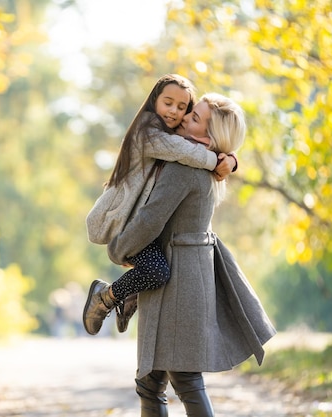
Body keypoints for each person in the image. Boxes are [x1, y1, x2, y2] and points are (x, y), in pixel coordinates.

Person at [107, 93, 276, 417]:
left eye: (194, 118)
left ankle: (109, 297)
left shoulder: (184, 169)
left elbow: (150, 219)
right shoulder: (206, 165)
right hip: (184, 276)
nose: (184, 118)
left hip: (177, 284)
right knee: (151, 382)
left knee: (183, 377)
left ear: (209, 137)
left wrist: (118, 248)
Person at [83, 74, 238, 336]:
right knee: (156, 272)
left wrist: (231, 157)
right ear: (155, 100)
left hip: (145, 228)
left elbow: (207, 138)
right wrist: (221, 162)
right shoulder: (148, 133)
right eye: (168, 103)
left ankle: (130, 296)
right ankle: (106, 297)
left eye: (182, 108)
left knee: (156, 270)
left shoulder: (172, 131)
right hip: (127, 223)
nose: (175, 112)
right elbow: (186, 151)